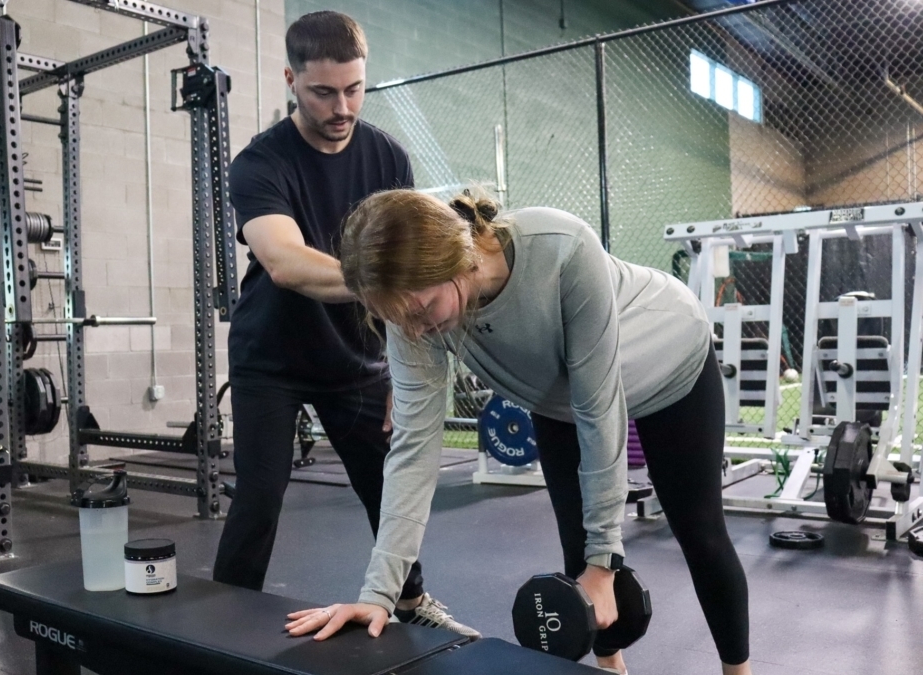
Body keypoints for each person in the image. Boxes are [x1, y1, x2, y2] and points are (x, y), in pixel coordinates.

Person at [286, 189, 754, 675]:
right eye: (397, 319)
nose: (416, 330)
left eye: (423, 311)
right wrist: (378, 595)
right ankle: (608, 668)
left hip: (669, 357)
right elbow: (412, 451)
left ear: (460, 261)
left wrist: (605, 562)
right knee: (577, 546)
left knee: (698, 532)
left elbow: (600, 410)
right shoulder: (412, 314)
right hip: (557, 395)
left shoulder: (561, 245)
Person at [215, 11, 479, 638]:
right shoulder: (260, 163)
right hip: (270, 359)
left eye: (355, 89)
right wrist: (390, 286)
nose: (342, 106)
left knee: (385, 490)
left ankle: (409, 600)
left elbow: (411, 257)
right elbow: (283, 261)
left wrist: (400, 363)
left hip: (356, 360)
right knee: (257, 500)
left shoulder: (387, 155)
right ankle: (215, 625)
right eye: (324, 92)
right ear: (291, 80)